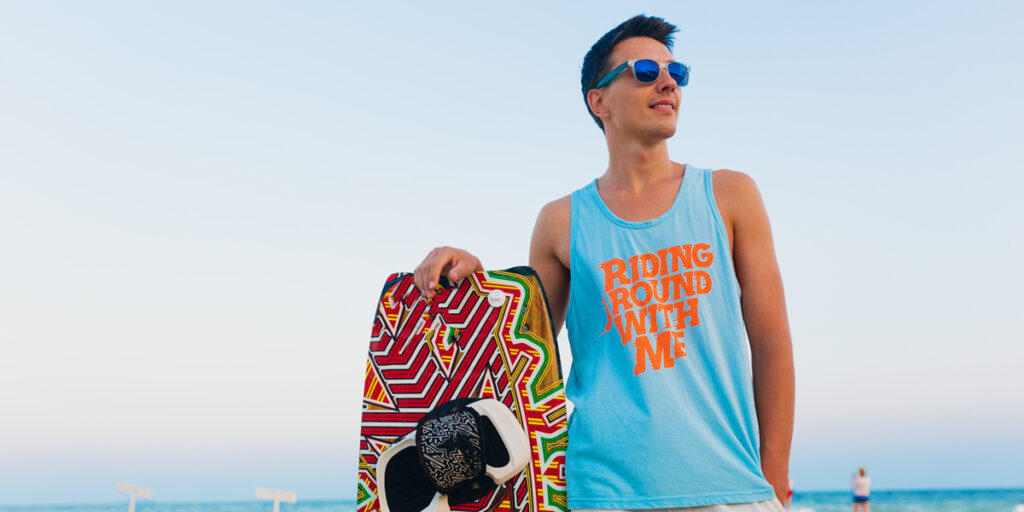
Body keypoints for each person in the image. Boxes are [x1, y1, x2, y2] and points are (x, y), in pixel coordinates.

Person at [413, 14, 794, 512]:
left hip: (730, 486)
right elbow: (526, 359)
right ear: (599, 100)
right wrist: (478, 279)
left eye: (676, 73)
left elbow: (771, 345)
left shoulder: (729, 195)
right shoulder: (560, 222)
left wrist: (774, 479)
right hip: (602, 493)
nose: (666, 83)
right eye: (643, 70)